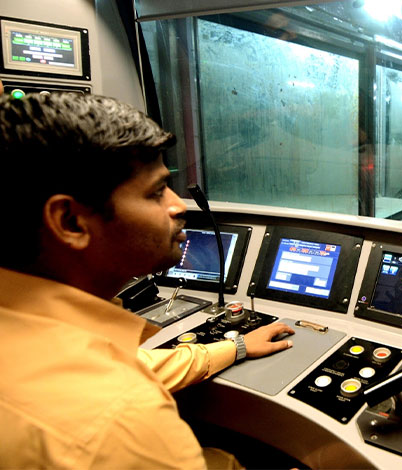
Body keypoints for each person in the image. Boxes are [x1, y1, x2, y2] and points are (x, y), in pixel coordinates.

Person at [0, 92, 295, 468]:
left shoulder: (30, 334)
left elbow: (137, 361)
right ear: (70, 222)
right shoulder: (122, 418)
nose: (178, 205)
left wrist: (235, 346)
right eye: (156, 192)